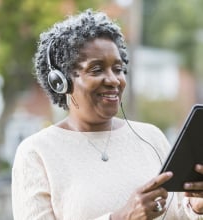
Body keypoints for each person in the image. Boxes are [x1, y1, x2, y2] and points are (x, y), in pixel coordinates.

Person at [11, 9, 203, 220]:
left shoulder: (152, 137)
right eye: (96, 69)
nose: (113, 80)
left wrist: (194, 208)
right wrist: (122, 217)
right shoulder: (36, 152)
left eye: (118, 69)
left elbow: (175, 215)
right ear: (61, 82)